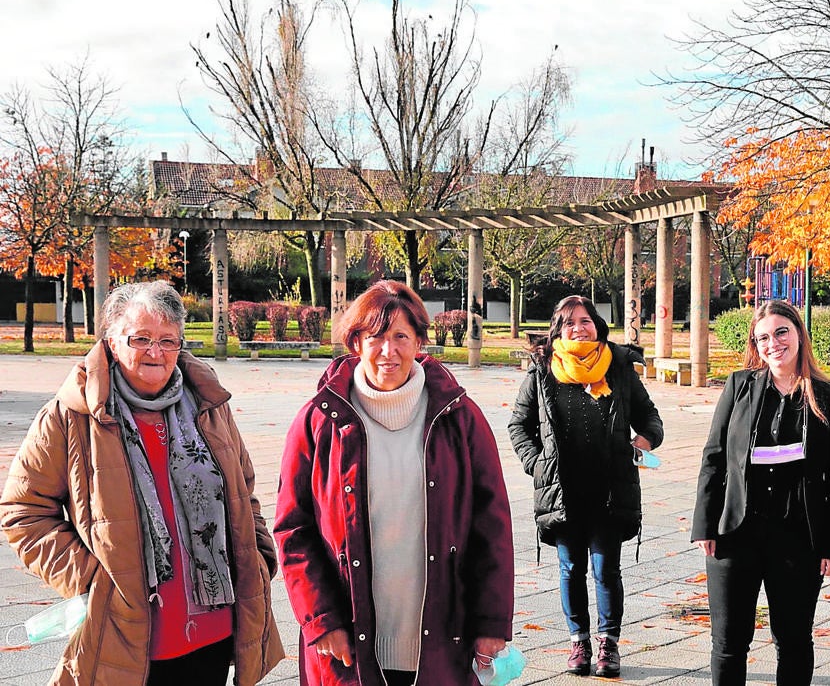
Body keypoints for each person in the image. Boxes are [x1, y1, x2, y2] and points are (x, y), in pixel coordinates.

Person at [0, 281, 283, 685]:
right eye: (142, 338)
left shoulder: (208, 407)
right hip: (128, 634)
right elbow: (22, 513)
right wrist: (92, 580)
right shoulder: (71, 416)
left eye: (169, 341)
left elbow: (244, 491)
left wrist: (258, 557)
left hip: (216, 632)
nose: (156, 352)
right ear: (112, 342)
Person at [275, 280, 513, 686]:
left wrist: (491, 621)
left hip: (442, 637)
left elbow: (491, 525)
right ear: (355, 343)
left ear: (420, 340)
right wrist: (321, 619)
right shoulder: (318, 421)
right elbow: (293, 528)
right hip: (345, 640)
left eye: (401, 336)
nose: (389, 351)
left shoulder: (459, 417)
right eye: (376, 338)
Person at [691, 300, 830, 686]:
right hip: (735, 533)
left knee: (794, 640)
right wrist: (704, 525)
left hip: (799, 537)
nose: (773, 343)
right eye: (763, 337)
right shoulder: (739, 386)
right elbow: (714, 458)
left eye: (781, 332)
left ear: (798, 333)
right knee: (729, 642)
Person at [508, 295, 664, 678]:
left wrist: (644, 441)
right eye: (569, 323)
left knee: (606, 569)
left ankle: (608, 644)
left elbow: (650, 418)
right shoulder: (542, 369)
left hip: (609, 488)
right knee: (570, 568)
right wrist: (537, 464)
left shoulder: (620, 365)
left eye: (585, 320)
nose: (579, 328)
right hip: (563, 490)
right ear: (558, 330)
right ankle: (578, 641)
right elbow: (519, 426)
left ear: (597, 324)